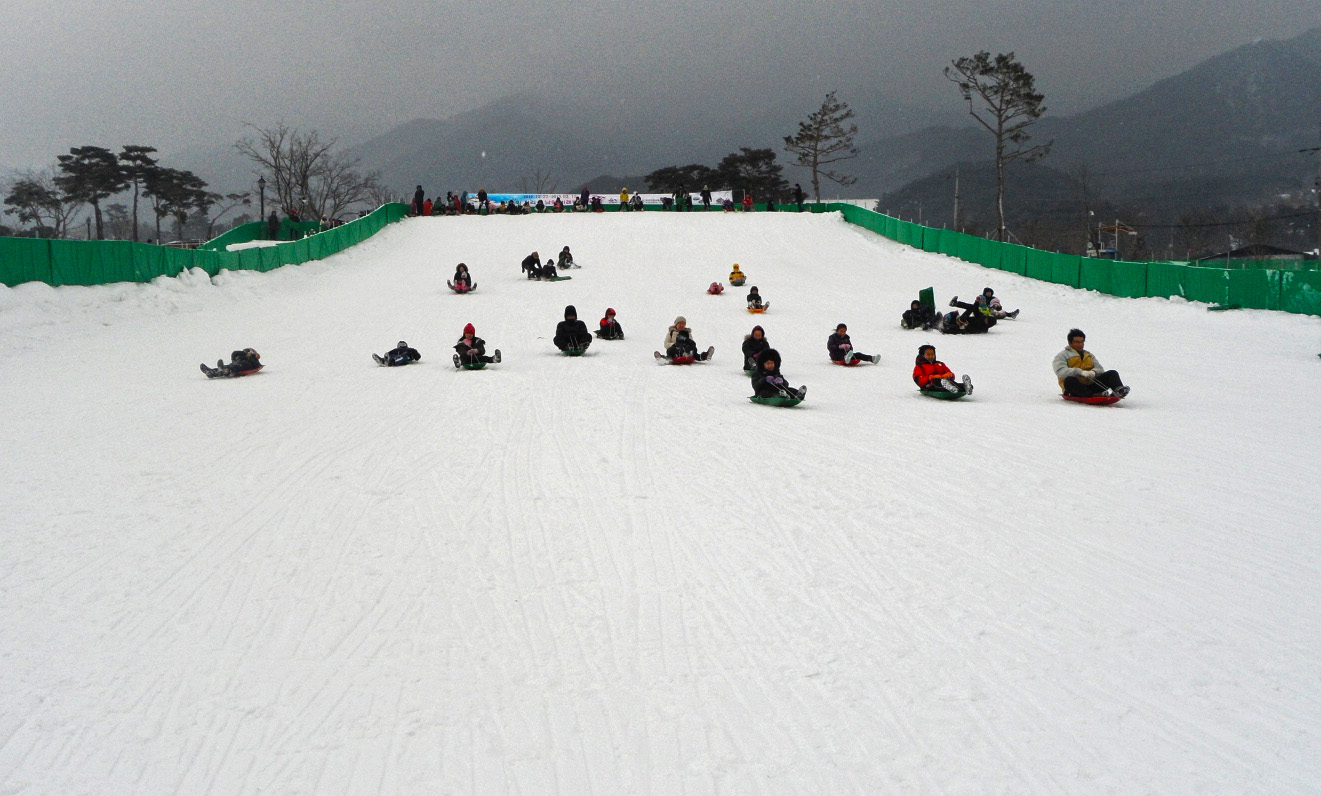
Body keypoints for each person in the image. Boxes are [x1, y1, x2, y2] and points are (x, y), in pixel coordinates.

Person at [1053, 328, 1130, 398]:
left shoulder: (1088, 355)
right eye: (1077, 342)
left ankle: (1119, 390)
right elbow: (1060, 371)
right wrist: (1080, 372)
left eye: (1082, 342)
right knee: (1069, 380)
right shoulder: (1062, 356)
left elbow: (1100, 369)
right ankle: (1093, 395)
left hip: (1090, 384)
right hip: (1075, 388)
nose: (1080, 344)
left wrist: (1093, 372)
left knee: (1112, 373)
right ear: (1070, 343)